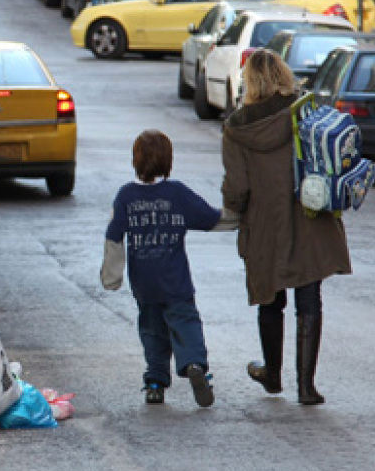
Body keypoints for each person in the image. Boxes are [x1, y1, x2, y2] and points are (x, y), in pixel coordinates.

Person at [221, 49, 352, 405]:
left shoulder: (238, 128)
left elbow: (238, 189)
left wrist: (232, 210)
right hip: (309, 215)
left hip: (265, 223)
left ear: (250, 80)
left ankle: (273, 374)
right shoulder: (305, 110)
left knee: (270, 299)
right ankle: (307, 386)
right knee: (309, 299)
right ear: (283, 74)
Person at [101, 130, 237, 407]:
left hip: (144, 283)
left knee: (152, 330)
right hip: (175, 281)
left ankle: (154, 382)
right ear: (168, 161)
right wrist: (240, 218)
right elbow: (210, 217)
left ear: (135, 160)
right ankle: (194, 365)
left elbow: (114, 236)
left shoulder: (126, 196)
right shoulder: (176, 193)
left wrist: (111, 276)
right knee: (186, 322)